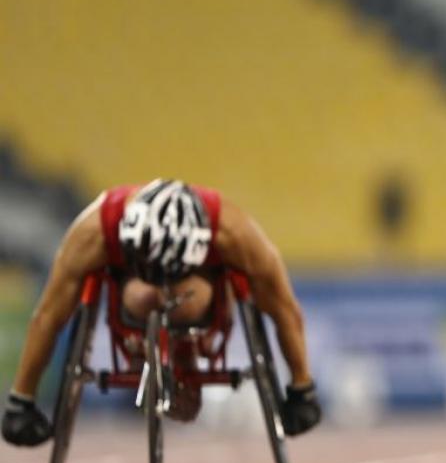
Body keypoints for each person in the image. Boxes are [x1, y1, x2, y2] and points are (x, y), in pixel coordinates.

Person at [2, 179, 322, 446]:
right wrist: (22, 399)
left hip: (201, 290)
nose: (162, 286)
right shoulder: (94, 232)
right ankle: (142, 343)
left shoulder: (234, 232)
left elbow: (284, 307)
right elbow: (49, 314)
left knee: (190, 297)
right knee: (144, 295)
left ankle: (184, 354)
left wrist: (301, 386)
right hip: (128, 285)